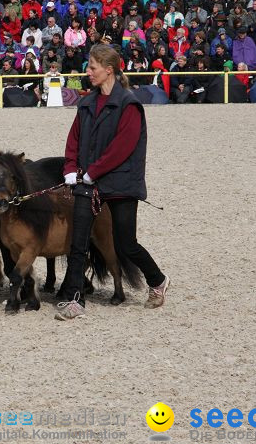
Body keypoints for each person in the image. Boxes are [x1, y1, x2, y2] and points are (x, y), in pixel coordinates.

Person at [55, 44, 170, 320]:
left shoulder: (129, 105)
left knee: (125, 244)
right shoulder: (86, 103)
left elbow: (122, 147)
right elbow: (74, 140)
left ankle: (157, 280)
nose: (88, 72)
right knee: (78, 243)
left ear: (109, 70)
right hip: (87, 183)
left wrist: (93, 171)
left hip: (120, 184)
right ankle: (74, 299)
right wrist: (71, 168)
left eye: (92, 67)